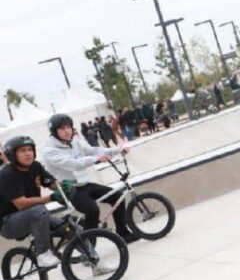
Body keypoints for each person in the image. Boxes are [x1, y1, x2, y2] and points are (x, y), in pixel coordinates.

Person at [39, 114, 137, 245]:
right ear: (54, 131)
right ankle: (89, 249)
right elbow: (73, 163)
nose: (67, 130)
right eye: (62, 128)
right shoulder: (49, 151)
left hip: (84, 184)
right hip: (68, 189)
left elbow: (93, 150)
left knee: (117, 196)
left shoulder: (73, 142)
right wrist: (95, 159)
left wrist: (118, 150)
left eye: (68, 127)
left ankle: (123, 233)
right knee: (92, 209)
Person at [0, 136, 70, 270]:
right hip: (8, 223)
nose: (28, 153)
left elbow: (51, 183)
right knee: (39, 210)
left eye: (30, 149)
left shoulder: (36, 166)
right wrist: (51, 198)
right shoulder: (6, 175)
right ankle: (42, 254)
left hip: (36, 215)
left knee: (70, 227)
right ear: (13, 155)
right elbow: (20, 203)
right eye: (22, 151)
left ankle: (93, 259)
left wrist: (64, 186)